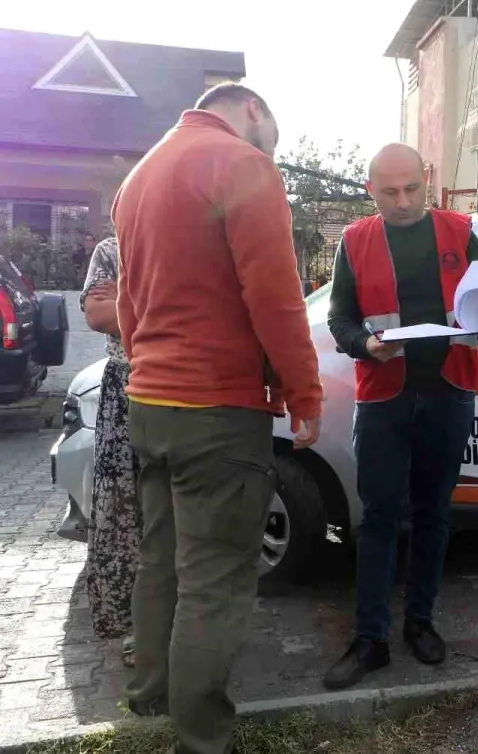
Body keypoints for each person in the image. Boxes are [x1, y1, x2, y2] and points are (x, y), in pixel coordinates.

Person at [114, 83, 323, 754]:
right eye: (273, 137)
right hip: (218, 409)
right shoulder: (241, 164)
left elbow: (127, 303)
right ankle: (201, 739)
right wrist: (305, 393)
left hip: (150, 400)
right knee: (217, 578)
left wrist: (148, 363)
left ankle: (148, 698)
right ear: (253, 110)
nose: (271, 151)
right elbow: (275, 295)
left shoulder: (140, 175)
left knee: (161, 560)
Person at [323, 143, 478, 691]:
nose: (402, 201)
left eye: (411, 188)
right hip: (384, 396)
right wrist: (365, 342)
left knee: (433, 514)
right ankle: (369, 639)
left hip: (449, 392)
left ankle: (421, 623)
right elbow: (339, 318)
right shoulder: (354, 240)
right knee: (379, 518)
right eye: (389, 192)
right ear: (370, 191)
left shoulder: (458, 229)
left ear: (425, 180)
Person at [80, 236, 139, 668]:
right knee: (120, 510)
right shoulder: (111, 249)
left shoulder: (187, 241)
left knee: (170, 512)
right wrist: (153, 304)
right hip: (124, 392)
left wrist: (126, 298)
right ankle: (132, 625)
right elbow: (98, 315)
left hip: (178, 385)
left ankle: (171, 623)